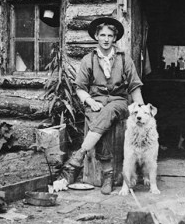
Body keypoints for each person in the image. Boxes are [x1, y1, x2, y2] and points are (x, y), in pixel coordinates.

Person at [53, 17, 144, 194]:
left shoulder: (124, 59)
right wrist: (90, 101)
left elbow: (134, 86)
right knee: (98, 121)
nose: (106, 39)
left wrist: (140, 108)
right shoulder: (89, 59)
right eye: (102, 35)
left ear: (115, 38)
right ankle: (108, 176)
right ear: (96, 36)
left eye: (110, 35)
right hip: (95, 102)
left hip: (118, 102)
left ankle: (79, 154)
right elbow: (80, 88)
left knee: (109, 111)